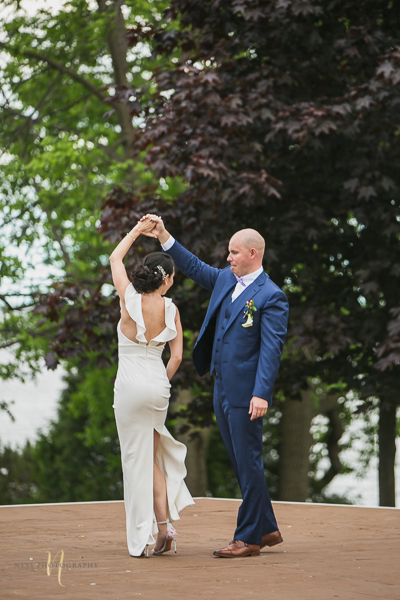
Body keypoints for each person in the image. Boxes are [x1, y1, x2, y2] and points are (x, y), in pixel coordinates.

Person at [142, 214, 289, 558]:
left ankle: (248, 538)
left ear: (253, 253)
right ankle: (267, 529)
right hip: (221, 387)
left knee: (249, 461)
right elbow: (192, 266)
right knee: (242, 463)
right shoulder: (226, 279)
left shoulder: (272, 296)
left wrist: (261, 393)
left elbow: (271, 350)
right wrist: (164, 236)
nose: (228, 258)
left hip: (247, 394)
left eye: (234, 253)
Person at [109, 218, 194, 558]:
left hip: (130, 387)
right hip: (157, 387)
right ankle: (164, 527)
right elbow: (176, 357)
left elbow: (115, 260)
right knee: (152, 458)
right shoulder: (172, 309)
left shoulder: (129, 298)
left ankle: (143, 540)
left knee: (134, 463)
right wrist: (160, 381)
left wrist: (135, 231)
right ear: (169, 279)